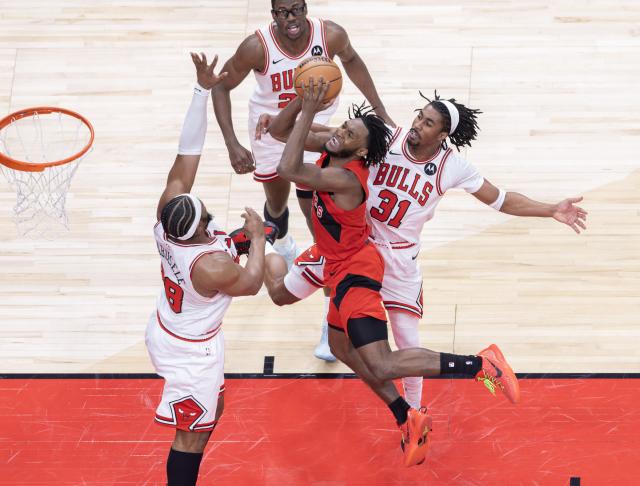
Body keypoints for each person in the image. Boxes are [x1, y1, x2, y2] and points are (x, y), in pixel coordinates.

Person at [258, 90, 588, 409]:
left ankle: (415, 412)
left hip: (399, 259)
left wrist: (550, 209)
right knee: (287, 299)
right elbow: (329, 134)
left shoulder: (453, 167)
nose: (417, 124)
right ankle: (283, 252)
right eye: (419, 116)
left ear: (443, 134)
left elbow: (501, 199)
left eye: (428, 123)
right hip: (355, 245)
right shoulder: (386, 137)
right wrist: (279, 119)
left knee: (405, 342)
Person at [252, 79, 521, 467]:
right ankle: (406, 414)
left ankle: (476, 369)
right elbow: (286, 136)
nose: (340, 130)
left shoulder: (350, 176)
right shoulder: (363, 144)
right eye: (419, 115)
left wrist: (307, 105)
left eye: (429, 122)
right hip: (341, 254)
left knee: (390, 354)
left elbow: (288, 166)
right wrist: (296, 107)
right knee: (339, 343)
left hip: (365, 263)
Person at [145, 52, 279, 486]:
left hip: (171, 326)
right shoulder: (211, 266)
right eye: (207, 217)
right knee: (191, 436)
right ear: (199, 229)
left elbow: (188, 150)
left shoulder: (170, 213)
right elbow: (252, 281)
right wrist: (255, 236)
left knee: (209, 414)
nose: (208, 215)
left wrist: (202, 90)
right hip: (190, 351)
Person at [212, 0, 394, 272]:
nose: (291, 17)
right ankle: (283, 242)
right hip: (269, 122)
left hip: (315, 117)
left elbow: (352, 60)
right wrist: (232, 144)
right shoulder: (257, 47)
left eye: (297, 9)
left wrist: (380, 112)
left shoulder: (330, 34)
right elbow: (220, 87)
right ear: (274, 15)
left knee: (312, 198)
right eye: (283, 12)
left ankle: (327, 271)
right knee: (276, 200)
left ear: (306, 8)